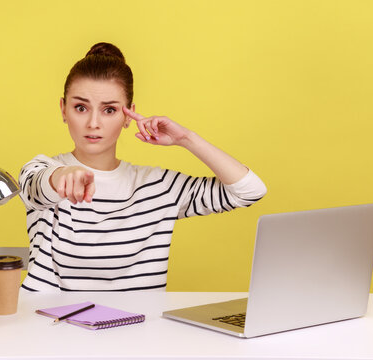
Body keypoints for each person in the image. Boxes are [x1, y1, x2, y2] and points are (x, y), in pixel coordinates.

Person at [18, 42, 267, 292]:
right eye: (80, 108)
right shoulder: (42, 169)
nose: (93, 123)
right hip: (52, 327)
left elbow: (249, 191)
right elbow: (37, 186)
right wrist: (62, 175)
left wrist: (186, 139)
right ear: (63, 109)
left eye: (109, 110)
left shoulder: (158, 186)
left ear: (128, 116)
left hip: (138, 328)